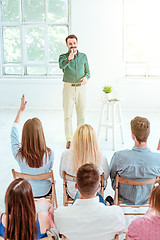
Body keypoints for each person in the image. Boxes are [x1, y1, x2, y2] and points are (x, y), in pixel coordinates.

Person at [55, 163, 125, 240]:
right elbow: (120, 230)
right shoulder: (116, 213)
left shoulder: (60, 215)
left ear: (76, 186)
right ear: (98, 186)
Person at [110, 116, 160, 205]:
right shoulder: (158, 159)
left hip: (123, 195)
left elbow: (112, 176)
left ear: (133, 135)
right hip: (148, 195)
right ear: (148, 134)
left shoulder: (119, 156)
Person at [11, 95, 54, 197]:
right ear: (41, 135)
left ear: (24, 136)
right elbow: (49, 169)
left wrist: (20, 111)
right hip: (45, 190)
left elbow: (13, 132)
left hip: (26, 191)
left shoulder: (18, 153)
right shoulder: (49, 153)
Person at [59, 124, 109, 199]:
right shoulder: (101, 157)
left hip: (73, 192)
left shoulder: (65, 154)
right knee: (103, 182)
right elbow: (105, 177)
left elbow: (61, 175)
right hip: (95, 192)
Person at [59, 34, 90, 149]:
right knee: (68, 115)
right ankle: (69, 139)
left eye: (74, 43)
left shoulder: (83, 56)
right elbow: (61, 66)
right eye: (70, 43)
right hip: (68, 88)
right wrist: (69, 59)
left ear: (77, 43)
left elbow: (88, 72)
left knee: (81, 114)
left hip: (81, 88)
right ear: (67, 45)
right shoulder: (63, 57)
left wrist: (86, 77)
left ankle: (80, 138)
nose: (73, 45)